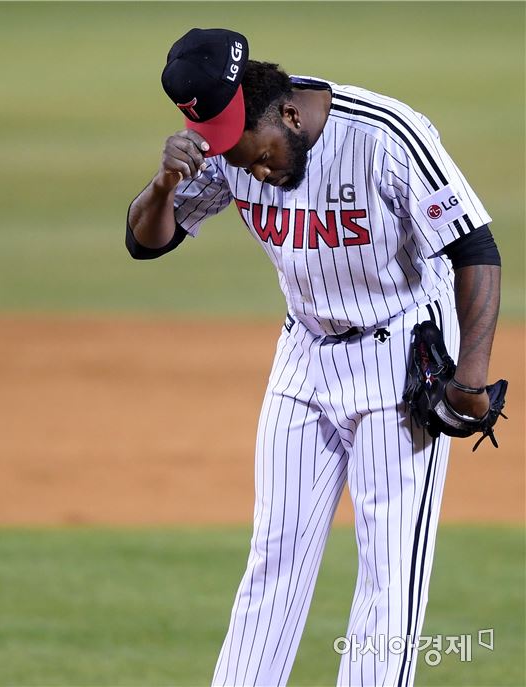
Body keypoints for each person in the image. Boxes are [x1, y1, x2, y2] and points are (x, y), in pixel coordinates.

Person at [127, 29, 503, 685]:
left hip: (400, 356)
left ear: (290, 115)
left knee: (389, 571)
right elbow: (147, 242)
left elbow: (474, 248)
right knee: (273, 556)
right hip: (303, 354)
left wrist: (469, 380)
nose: (256, 173)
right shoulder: (228, 150)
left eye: (260, 157)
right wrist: (163, 185)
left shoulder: (384, 135)